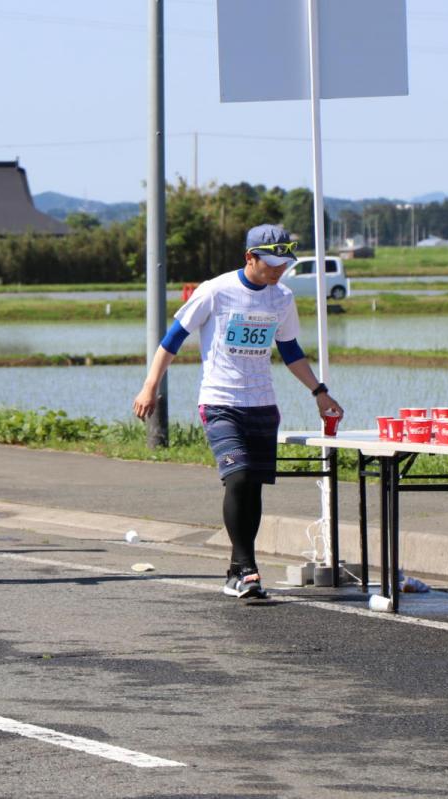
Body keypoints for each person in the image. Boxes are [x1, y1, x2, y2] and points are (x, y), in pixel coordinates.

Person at [132, 224, 344, 600]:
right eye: (271, 263)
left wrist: (319, 391)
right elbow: (172, 339)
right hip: (220, 401)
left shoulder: (282, 298)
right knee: (239, 477)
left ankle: (237, 570)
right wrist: (150, 386)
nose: (278, 270)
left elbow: (290, 350)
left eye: (283, 263)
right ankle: (247, 568)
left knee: (253, 486)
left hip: (262, 403)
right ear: (250, 257)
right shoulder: (215, 291)